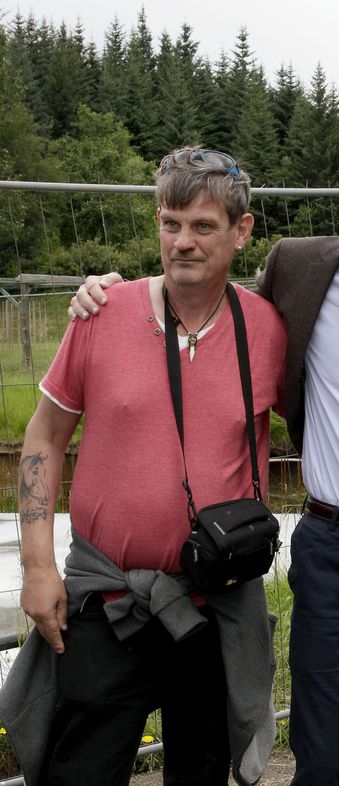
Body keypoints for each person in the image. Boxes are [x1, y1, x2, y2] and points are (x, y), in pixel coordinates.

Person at [68, 136, 339, 786]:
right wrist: (112, 292)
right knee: (320, 755)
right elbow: (209, 301)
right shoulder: (298, 269)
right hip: (334, 551)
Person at [1, 147, 286, 786]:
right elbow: (43, 437)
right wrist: (40, 566)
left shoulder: (266, 329)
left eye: (203, 226)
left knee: (203, 771)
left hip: (216, 599)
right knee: (82, 770)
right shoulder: (101, 313)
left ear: (241, 232)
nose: (182, 242)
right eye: (169, 223)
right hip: (107, 600)